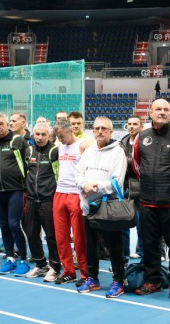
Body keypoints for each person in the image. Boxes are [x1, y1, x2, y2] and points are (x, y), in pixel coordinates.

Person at [132, 98, 170, 299]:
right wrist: (149, 183)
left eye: (166, 109)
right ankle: (153, 280)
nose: (162, 112)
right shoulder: (141, 137)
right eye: (158, 109)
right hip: (147, 202)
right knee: (150, 244)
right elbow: (137, 166)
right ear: (150, 112)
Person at [76, 117, 129, 297]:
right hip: (88, 207)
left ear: (110, 132)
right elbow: (78, 174)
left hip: (108, 208)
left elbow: (117, 181)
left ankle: (118, 281)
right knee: (90, 245)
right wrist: (83, 185)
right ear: (93, 131)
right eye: (97, 128)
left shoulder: (118, 152)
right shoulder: (88, 152)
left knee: (114, 246)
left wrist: (93, 188)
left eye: (104, 129)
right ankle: (92, 278)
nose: (100, 131)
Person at [0, 112, 30, 275]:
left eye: (1, 124)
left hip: (15, 190)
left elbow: (28, 164)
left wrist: (26, 186)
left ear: (7, 125)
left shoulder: (18, 141)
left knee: (14, 224)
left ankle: (23, 260)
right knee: (4, 225)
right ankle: (10, 258)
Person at [23, 122, 61, 281]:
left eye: (43, 134)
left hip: (48, 200)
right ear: (33, 135)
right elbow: (26, 172)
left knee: (51, 236)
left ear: (49, 135)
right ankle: (40, 264)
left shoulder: (55, 151)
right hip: (32, 199)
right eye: (37, 134)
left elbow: (59, 174)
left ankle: (55, 267)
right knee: (31, 233)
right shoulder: (29, 150)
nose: (40, 137)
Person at [52, 119, 87, 283]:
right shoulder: (60, 147)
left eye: (61, 135)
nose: (60, 139)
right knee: (61, 236)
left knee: (79, 237)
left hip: (76, 193)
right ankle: (68, 271)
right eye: (57, 136)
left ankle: (86, 273)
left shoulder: (82, 146)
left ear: (70, 130)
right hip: (60, 193)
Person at [118, 115, 143, 260]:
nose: (132, 126)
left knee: (142, 225)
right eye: (129, 124)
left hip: (140, 189)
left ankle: (142, 254)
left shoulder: (146, 142)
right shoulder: (122, 142)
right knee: (123, 224)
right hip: (124, 188)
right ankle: (124, 256)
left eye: (135, 124)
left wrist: (125, 163)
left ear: (141, 126)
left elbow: (140, 164)